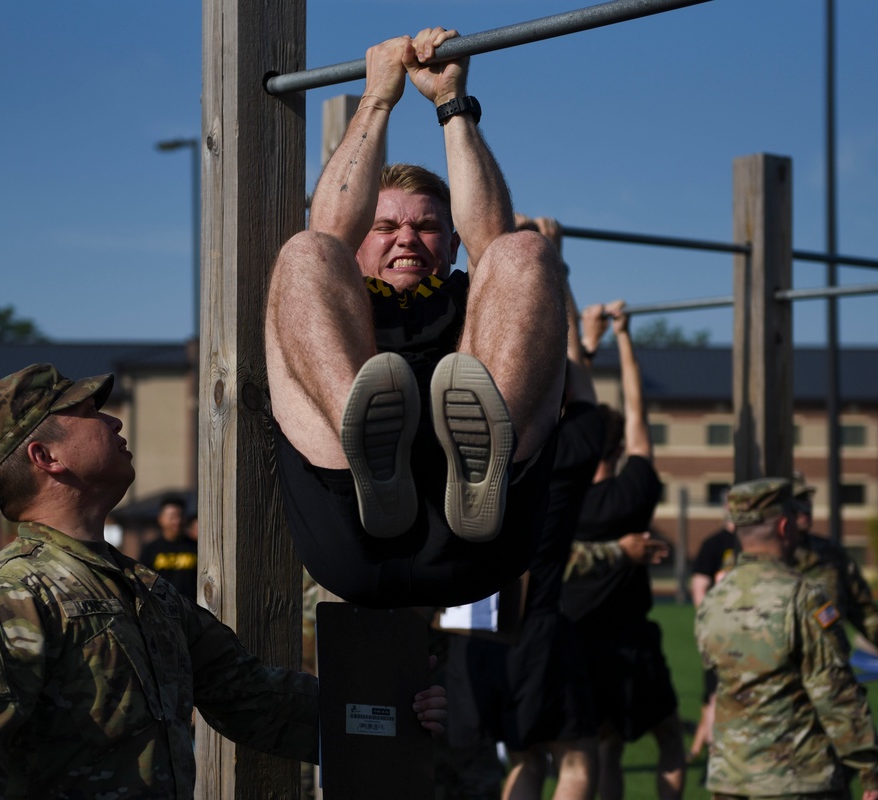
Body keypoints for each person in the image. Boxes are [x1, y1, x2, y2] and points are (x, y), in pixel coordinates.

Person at [0, 363, 447, 798]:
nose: (114, 422)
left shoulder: (143, 588)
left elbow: (252, 699)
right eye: (87, 413)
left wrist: (393, 709)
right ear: (45, 456)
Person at [264, 27, 568, 608]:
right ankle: (369, 458)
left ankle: (482, 466)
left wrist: (452, 106)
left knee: (524, 251)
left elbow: (493, 240)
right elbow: (327, 234)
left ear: (451, 245)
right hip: (350, 527)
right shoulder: (331, 303)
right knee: (304, 253)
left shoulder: (469, 302)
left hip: (483, 537)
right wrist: (376, 99)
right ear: (360, 240)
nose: (407, 238)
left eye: (426, 227)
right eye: (385, 226)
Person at [443, 215, 602, 800]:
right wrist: (551, 267)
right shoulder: (573, 447)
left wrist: (496, 269)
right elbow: (572, 374)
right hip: (537, 629)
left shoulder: (473, 448)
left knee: (523, 760)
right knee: (576, 757)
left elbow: (484, 355)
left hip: (473, 631)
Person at [560, 301, 685, 800]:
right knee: (670, 741)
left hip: (575, 644)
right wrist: (624, 336)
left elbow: (571, 404)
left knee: (602, 749)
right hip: (632, 643)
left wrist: (585, 339)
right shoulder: (633, 493)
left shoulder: (563, 497)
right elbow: (638, 412)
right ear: (616, 452)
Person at [695, 477, 878, 799]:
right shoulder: (805, 596)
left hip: (730, 777)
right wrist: (870, 768)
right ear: (785, 527)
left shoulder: (715, 597)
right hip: (795, 776)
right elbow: (834, 691)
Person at [791, 474, 878, 654]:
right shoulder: (757, 560)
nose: (806, 506)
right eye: (797, 499)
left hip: (831, 674)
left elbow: (863, 612)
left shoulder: (830, 553)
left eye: (807, 498)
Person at [687, 495, 737, 763]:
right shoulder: (714, 544)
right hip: (720, 633)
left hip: (752, 633)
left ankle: (700, 750)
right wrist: (709, 624)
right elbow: (699, 588)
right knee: (714, 693)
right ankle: (710, 751)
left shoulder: (752, 542)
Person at [139, 494, 198, 602]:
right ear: (161, 519)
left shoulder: (195, 547)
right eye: (172, 517)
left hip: (192, 609)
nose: (177, 521)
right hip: (161, 611)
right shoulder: (150, 549)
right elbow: (142, 584)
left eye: (181, 516)